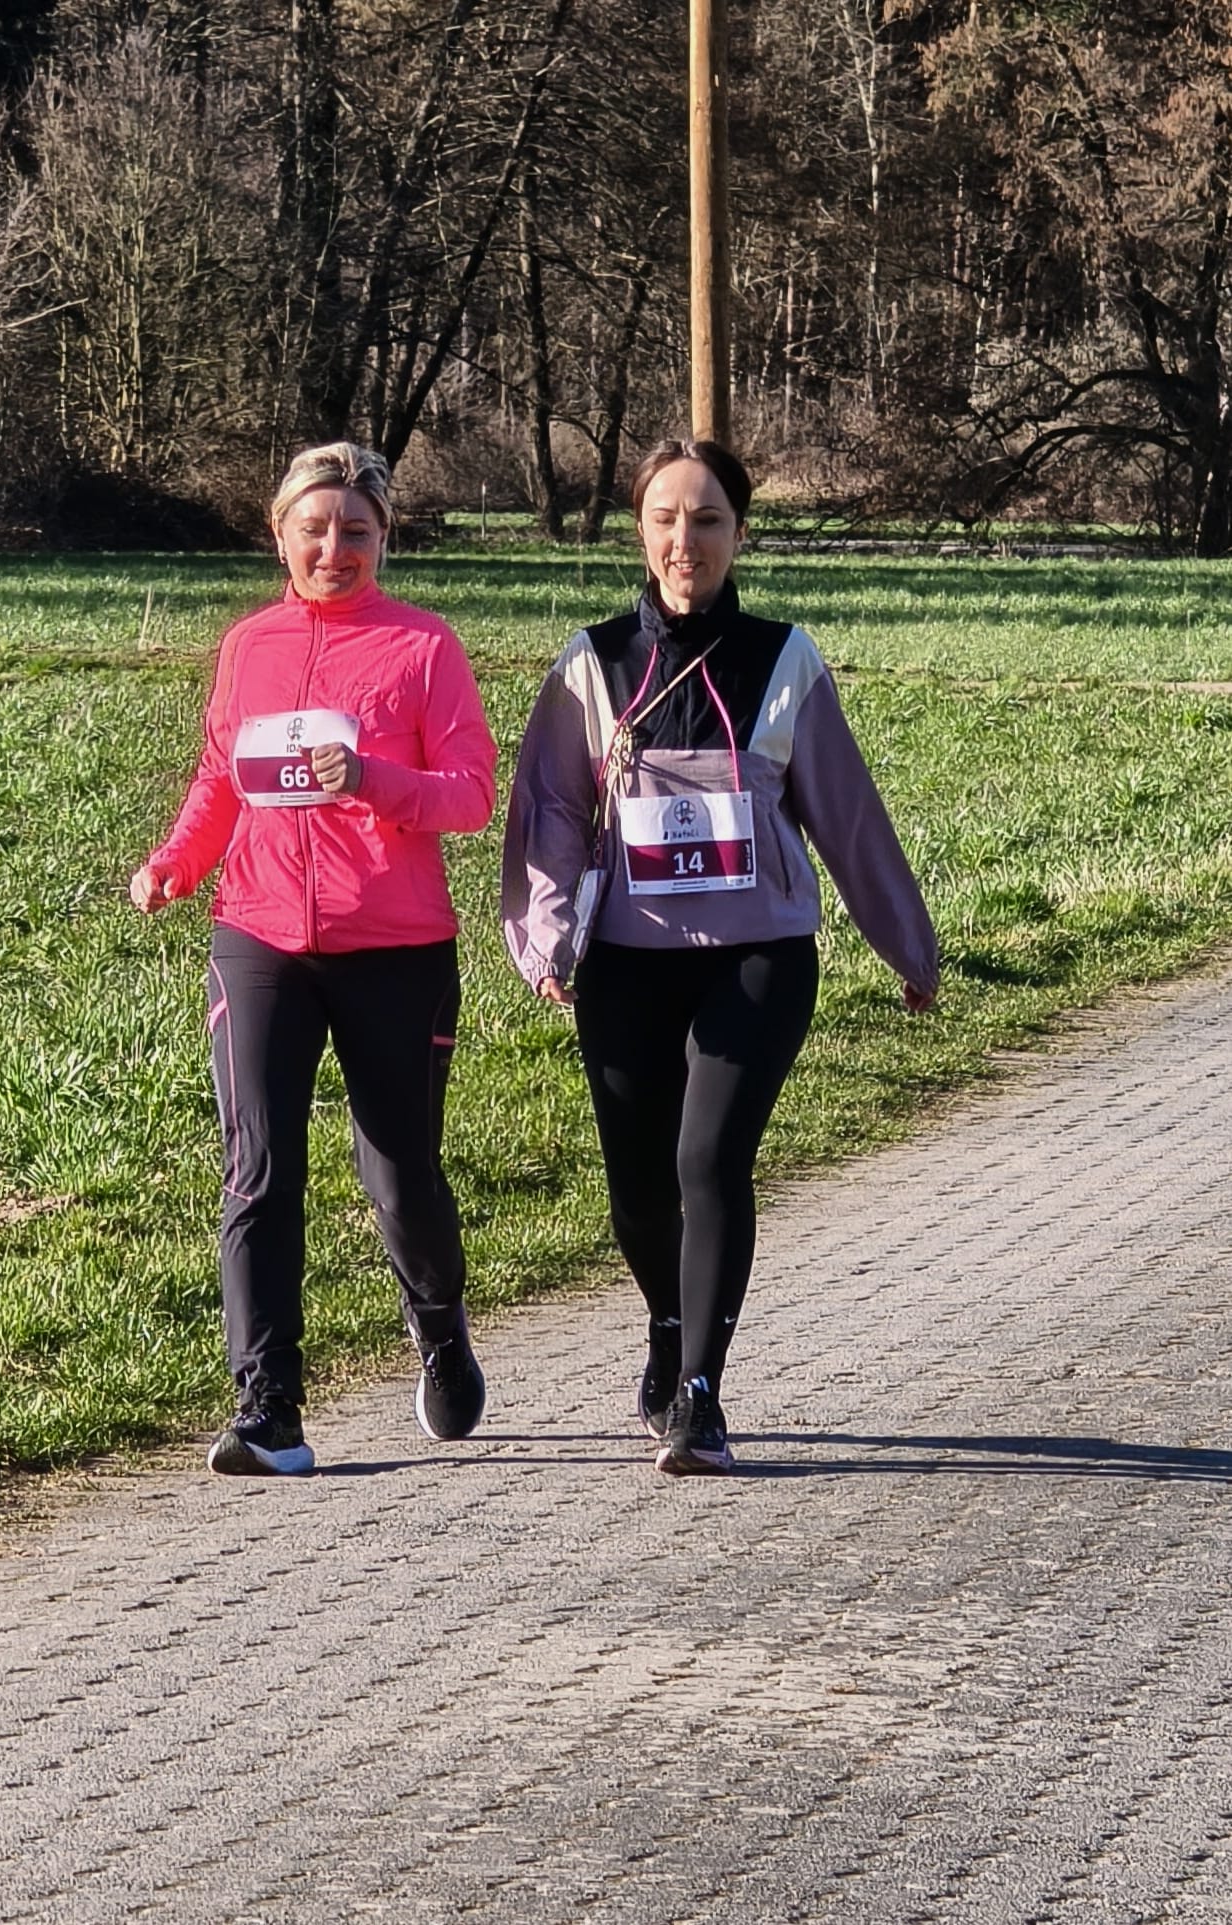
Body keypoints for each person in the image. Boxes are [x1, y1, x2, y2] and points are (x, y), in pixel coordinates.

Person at [502, 438, 938, 1477]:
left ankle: (701, 1392)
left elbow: (847, 818)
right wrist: (545, 935)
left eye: (706, 519)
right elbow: (551, 815)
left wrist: (905, 945)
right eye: (664, 517)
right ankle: (666, 1325)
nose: (683, 538)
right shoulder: (591, 662)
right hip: (626, 961)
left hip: (757, 957)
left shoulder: (784, 660)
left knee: (708, 1163)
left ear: (738, 534)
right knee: (639, 1188)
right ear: (639, 531)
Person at [131, 441, 497, 1476]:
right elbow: (222, 774)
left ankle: (437, 1327)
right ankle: (269, 1410)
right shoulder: (248, 646)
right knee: (256, 1171)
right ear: (279, 529)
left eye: (356, 531)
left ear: (384, 537)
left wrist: (374, 776)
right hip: (259, 938)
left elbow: (469, 792)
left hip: (394, 945)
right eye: (315, 527)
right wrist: (176, 863)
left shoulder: (423, 648)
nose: (334, 547)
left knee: (399, 1175)